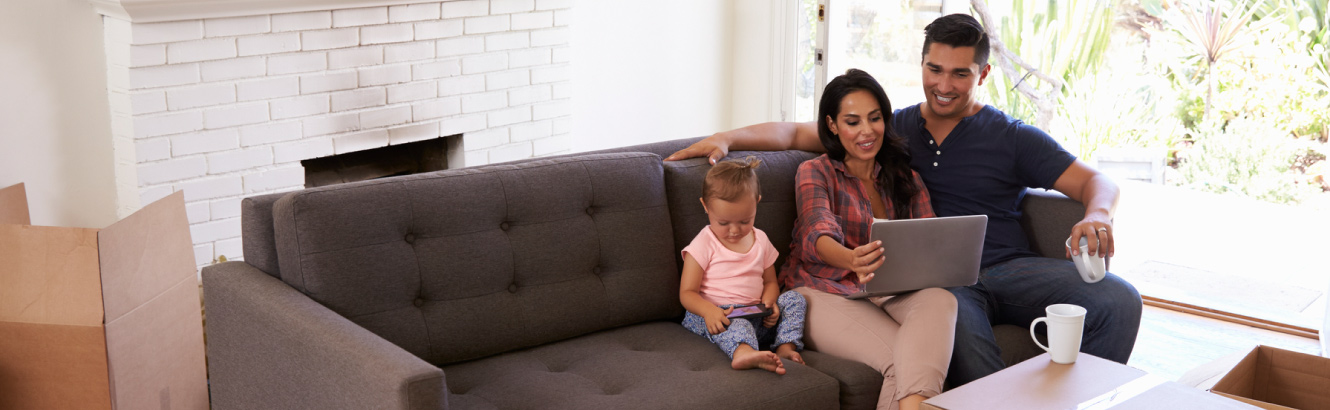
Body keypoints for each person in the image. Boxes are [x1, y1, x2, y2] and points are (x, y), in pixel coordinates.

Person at [665, 13, 1142, 388]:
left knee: (1119, 299)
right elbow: (793, 132)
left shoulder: (1012, 136)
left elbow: (1096, 183)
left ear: (984, 73)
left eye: (960, 73)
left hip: (1009, 264)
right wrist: (725, 137)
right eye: (934, 69)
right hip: (943, 281)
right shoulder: (894, 129)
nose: (943, 84)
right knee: (961, 337)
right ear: (922, 65)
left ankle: (1084, 396)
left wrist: (1097, 215)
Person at [784, 68, 957, 410]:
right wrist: (850, 259)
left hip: (886, 289)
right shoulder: (815, 172)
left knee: (942, 300)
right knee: (906, 361)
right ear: (832, 125)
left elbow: (930, 237)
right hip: (821, 290)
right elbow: (816, 230)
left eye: (874, 118)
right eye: (852, 121)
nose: (867, 131)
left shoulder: (905, 177)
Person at [679, 157, 807, 375]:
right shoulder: (703, 243)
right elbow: (687, 293)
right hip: (716, 317)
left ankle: (786, 346)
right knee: (736, 323)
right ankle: (743, 353)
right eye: (724, 223)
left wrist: (770, 301)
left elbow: (770, 282)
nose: (735, 231)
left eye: (745, 221)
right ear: (705, 206)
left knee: (795, 299)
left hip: (756, 316)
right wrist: (709, 311)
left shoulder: (762, 240)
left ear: (757, 202)